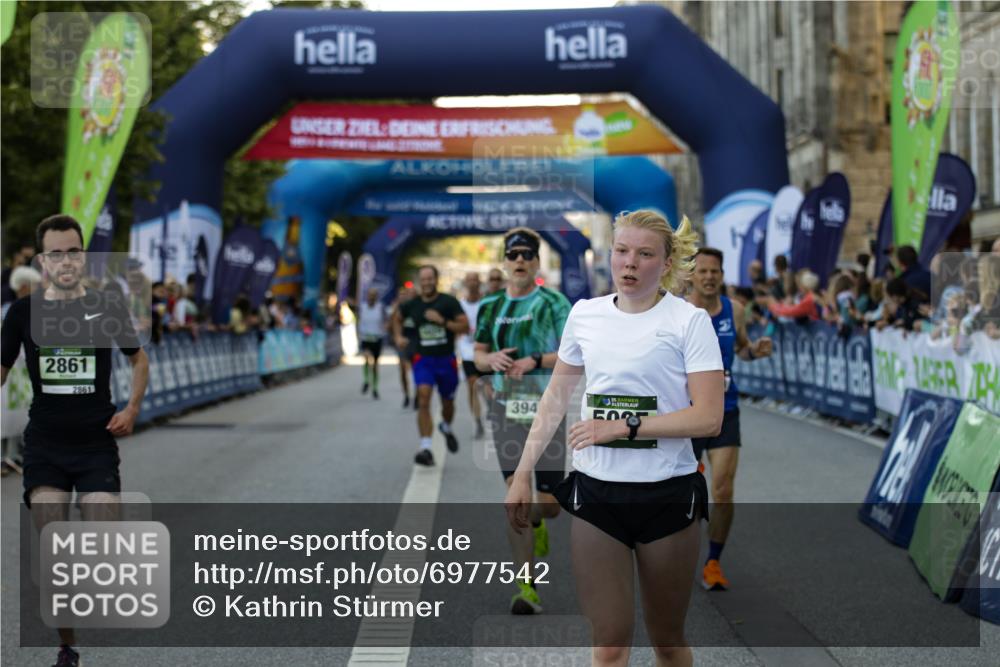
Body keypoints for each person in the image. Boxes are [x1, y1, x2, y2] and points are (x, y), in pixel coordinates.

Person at [505, 211, 724, 667]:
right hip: (596, 495)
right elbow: (554, 399)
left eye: (644, 254)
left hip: (667, 495)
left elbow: (708, 418)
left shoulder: (689, 321)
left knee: (667, 641)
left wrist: (623, 427)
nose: (630, 263)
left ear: (665, 264)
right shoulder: (586, 315)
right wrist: (522, 473)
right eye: (622, 251)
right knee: (608, 647)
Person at [1, 214, 149, 667]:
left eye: (74, 251)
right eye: (56, 253)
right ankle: (67, 647)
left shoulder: (107, 305)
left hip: (94, 446)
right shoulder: (24, 313)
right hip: (45, 446)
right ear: (43, 260)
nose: (66, 260)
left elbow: (140, 360)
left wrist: (131, 409)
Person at [473, 227, 571, 614]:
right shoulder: (491, 306)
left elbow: (570, 353)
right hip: (506, 410)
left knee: (547, 505)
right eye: (513, 255)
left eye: (527, 255)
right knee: (516, 493)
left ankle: (540, 520)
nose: (519, 261)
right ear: (504, 260)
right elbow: (478, 353)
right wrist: (490, 362)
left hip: (547, 409)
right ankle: (526, 587)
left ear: (537, 262)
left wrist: (535, 361)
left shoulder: (554, 303)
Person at [686, 247, 773, 591]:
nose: (709, 277)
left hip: (725, 409)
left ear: (722, 275)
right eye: (703, 271)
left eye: (715, 271)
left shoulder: (734, 309)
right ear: (692, 274)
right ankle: (676, 555)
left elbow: (741, 348)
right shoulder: (678, 311)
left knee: (722, 489)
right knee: (682, 493)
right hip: (687, 414)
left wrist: (754, 351)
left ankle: (713, 562)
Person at [393, 265, 468, 466]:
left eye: (430, 278)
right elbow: (397, 318)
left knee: (448, 404)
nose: (426, 282)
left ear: (436, 280)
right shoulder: (412, 304)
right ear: (419, 281)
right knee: (424, 397)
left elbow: (465, 326)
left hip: (446, 360)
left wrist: (442, 321)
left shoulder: (448, 302)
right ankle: (426, 447)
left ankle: (446, 426)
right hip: (423, 359)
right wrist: (398, 336)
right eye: (423, 279)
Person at [457, 272, 485, 438]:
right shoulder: (460, 306)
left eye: (475, 279)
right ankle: (477, 419)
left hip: (485, 351)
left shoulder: (486, 304)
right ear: (465, 283)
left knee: (487, 388)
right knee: (473, 385)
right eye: (469, 280)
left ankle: (489, 409)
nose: (472, 282)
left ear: (479, 282)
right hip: (467, 351)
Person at [357, 287, 389, 399]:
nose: (371, 297)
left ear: (376, 297)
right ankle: (366, 380)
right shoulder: (362, 307)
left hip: (377, 338)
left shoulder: (381, 308)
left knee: (375, 364)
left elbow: (386, 321)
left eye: (374, 295)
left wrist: (385, 327)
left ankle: (375, 387)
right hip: (366, 338)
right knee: (366, 357)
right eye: (370, 294)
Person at [391, 285, 417, 409]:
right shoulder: (400, 307)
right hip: (403, 342)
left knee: (417, 370)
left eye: (413, 293)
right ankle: (406, 395)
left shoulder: (419, 306)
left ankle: (417, 395)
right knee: (402, 371)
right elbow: (393, 323)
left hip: (416, 343)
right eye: (408, 293)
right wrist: (398, 337)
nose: (410, 295)